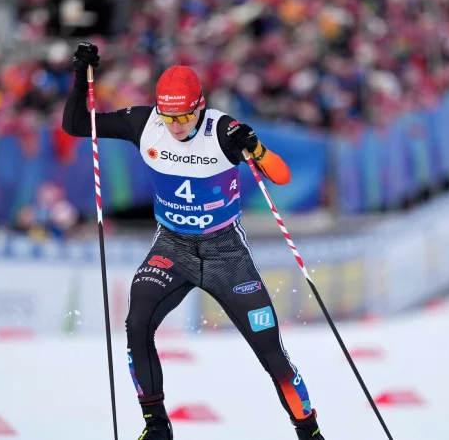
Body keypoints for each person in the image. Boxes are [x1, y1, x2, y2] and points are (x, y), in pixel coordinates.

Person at [62, 42, 326, 440]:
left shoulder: (223, 131)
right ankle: (157, 426)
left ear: (200, 106)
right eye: (169, 116)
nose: (176, 126)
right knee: (137, 324)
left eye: (185, 116)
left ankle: (309, 431)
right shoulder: (144, 124)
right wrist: (81, 77)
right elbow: (77, 125)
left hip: (226, 252)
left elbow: (282, 176)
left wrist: (256, 148)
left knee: (271, 352)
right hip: (173, 247)